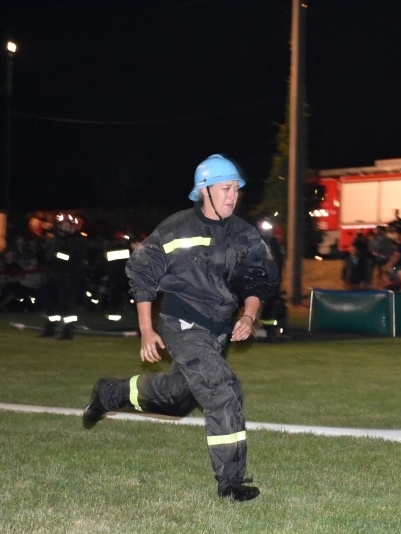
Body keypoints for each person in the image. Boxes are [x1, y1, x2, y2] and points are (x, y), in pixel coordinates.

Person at [81, 154, 280, 502]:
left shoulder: (245, 236)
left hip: (217, 331)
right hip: (181, 323)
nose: (233, 196)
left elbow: (257, 282)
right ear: (204, 190)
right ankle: (231, 483)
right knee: (222, 390)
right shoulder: (175, 229)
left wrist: (248, 316)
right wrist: (146, 329)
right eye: (225, 188)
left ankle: (110, 393)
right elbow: (141, 272)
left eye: (236, 189)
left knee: (177, 399)